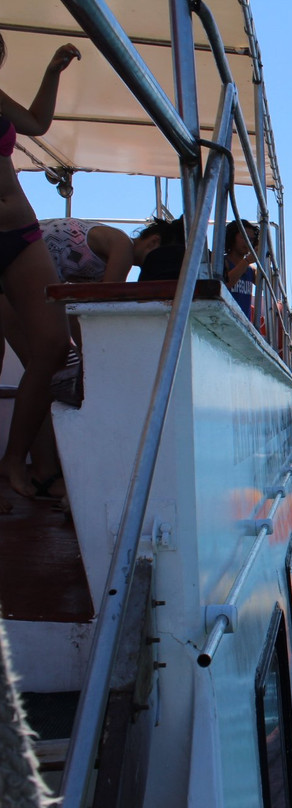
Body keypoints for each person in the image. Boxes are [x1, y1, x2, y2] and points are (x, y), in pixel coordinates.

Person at [0, 34, 81, 511]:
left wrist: (51, 72)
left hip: (21, 232)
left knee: (52, 348)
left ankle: (17, 458)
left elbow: (34, 122)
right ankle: (36, 464)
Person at [223, 219, 258, 320]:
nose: (247, 242)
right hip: (225, 320)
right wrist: (247, 261)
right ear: (232, 237)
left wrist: (262, 258)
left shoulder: (252, 269)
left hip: (243, 325)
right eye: (244, 237)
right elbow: (225, 284)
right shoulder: (222, 262)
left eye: (251, 239)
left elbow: (268, 286)